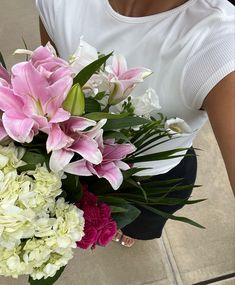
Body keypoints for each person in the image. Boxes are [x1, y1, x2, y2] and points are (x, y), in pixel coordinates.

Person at [35, 0, 235, 247]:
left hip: (155, 178)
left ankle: (136, 228)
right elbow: (50, 73)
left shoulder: (221, 43)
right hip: (80, 158)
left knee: (142, 221)